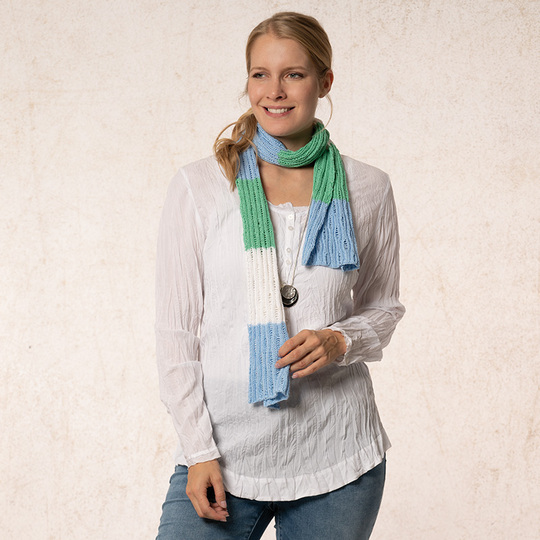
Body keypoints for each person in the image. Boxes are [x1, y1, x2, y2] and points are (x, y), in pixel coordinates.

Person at [155, 11, 405, 540]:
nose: (274, 91)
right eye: (260, 74)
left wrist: (340, 339)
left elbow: (384, 306)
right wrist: (198, 451)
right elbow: (176, 334)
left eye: (293, 74)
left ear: (324, 82)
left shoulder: (368, 187)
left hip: (339, 454)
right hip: (223, 454)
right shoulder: (201, 186)